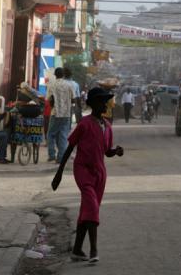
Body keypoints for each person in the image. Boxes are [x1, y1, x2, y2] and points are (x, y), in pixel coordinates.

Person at [51, 87, 124, 263]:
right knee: (91, 207)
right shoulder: (84, 123)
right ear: (92, 104)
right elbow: (69, 148)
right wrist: (59, 173)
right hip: (83, 170)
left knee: (88, 210)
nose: (104, 104)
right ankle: (93, 250)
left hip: (100, 173)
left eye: (105, 101)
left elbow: (106, 151)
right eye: (101, 101)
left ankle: (77, 250)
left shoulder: (107, 127)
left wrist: (116, 151)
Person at [46, 67, 75, 163]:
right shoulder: (69, 85)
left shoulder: (51, 85)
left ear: (55, 75)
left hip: (55, 113)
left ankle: (51, 154)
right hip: (66, 114)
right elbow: (74, 98)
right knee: (63, 135)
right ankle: (60, 158)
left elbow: (48, 99)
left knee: (50, 134)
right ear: (64, 75)